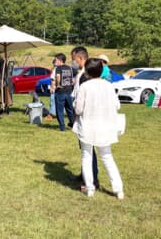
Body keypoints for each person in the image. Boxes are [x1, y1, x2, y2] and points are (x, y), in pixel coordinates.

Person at [72, 58, 124, 199]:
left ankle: (90, 188)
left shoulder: (85, 87)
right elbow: (117, 106)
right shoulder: (109, 86)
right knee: (107, 157)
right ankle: (118, 189)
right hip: (105, 126)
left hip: (87, 125)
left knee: (86, 157)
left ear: (87, 72)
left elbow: (78, 109)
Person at [70, 46, 100, 190]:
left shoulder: (86, 75)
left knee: (89, 151)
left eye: (74, 59)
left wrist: (77, 112)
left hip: (86, 117)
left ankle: (92, 179)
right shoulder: (81, 73)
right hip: (83, 116)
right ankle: (84, 174)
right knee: (84, 149)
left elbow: (85, 99)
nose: (73, 62)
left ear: (81, 58)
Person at [53, 53, 74, 131]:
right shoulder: (69, 68)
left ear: (60, 60)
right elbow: (72, 80)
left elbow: (58, 76)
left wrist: (58, 84)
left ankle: (62, 127)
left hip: (60, 92)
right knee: (70, 109)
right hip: (69, 92)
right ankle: (73, 124)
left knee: (59, 110)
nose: (55, 61)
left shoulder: (58, 68)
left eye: (56, 60)